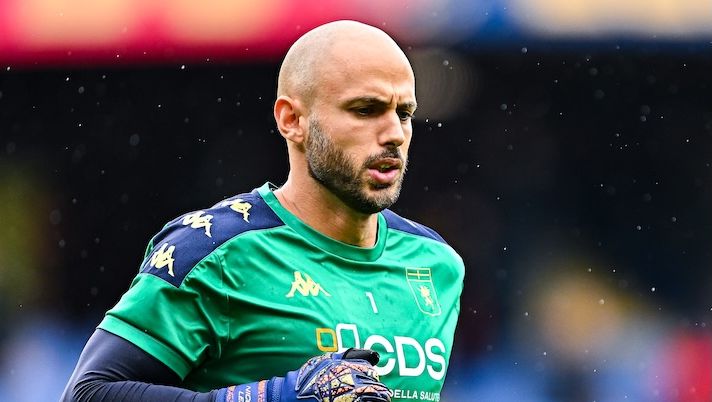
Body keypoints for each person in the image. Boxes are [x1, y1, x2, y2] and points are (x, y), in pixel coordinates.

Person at [62, 20, 465, 402]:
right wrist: (273, 396)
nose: (394, 133)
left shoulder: (436, 265)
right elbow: (89, 393)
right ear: (293, 120)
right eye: (365, 109)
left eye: (404, 113)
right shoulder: (213, 252)